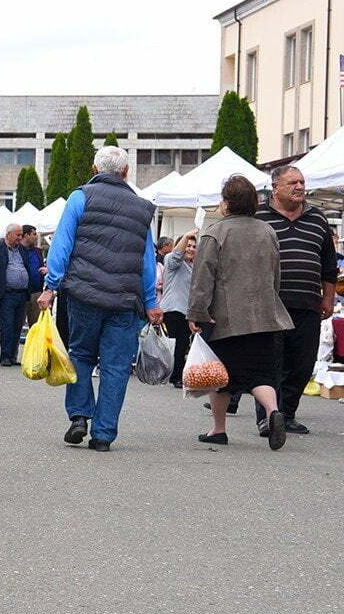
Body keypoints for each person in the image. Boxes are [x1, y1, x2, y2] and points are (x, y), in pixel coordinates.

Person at [36, 146, 162, 452]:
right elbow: (147, 261)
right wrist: (150, 302)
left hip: (84, 294)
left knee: (80, 354)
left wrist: (51, 286)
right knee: (116, 367)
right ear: (126, 172)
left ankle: (79, 416)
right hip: (124, 300)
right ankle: (104, 435)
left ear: (95, 169)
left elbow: (62, 245)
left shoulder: (80, 197)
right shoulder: (143, 208)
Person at [187, 176, 292, 449]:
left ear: (226, 203)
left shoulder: (216, 233)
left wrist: (197, 312)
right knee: (261, 375)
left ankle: (218, 429)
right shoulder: (267, 231)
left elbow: (203, 277)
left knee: (221, 377)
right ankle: (273, 412)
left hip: (226, 318)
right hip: (265, 316)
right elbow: (275, 275)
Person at [245, 166, 339, 435]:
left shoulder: (317, 217)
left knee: (302, 363)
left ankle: (287, 414)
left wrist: (328, 298)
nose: (300, 187)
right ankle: (268, 416)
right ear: (275, 187)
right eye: (293, 183)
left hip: (307, 304)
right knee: (270, 360)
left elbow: (328, 264)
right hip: (268, 304)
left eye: (302, 182)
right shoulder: (258, 215)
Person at [0, 223, 33, 366]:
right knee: (7, 324)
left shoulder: (22, 250)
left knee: (18, 325)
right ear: (8, 234)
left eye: (21, 234)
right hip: (8, 293)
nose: (20, 237)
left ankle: (13, 355)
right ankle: (5, 355)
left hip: (22, 293)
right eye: (17, 235)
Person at [160, 229, 198, 388]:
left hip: (187, 312)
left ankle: (176, 376)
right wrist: (187, 234)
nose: (190, 249)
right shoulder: (172, 261)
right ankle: (172, 375)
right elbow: (176, 255)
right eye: (187, 245)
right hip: (172, 309)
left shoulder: (194, 266)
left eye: (194, 246)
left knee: (182, 346)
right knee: (173, 345)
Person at [22, 225, 47, 327]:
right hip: (22, 293)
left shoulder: (37, 251)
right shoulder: (17, 250)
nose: (36, 236)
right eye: (34, 234)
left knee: (36, 325)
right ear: (26, 235)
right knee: (17, 325)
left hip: (36, 292)